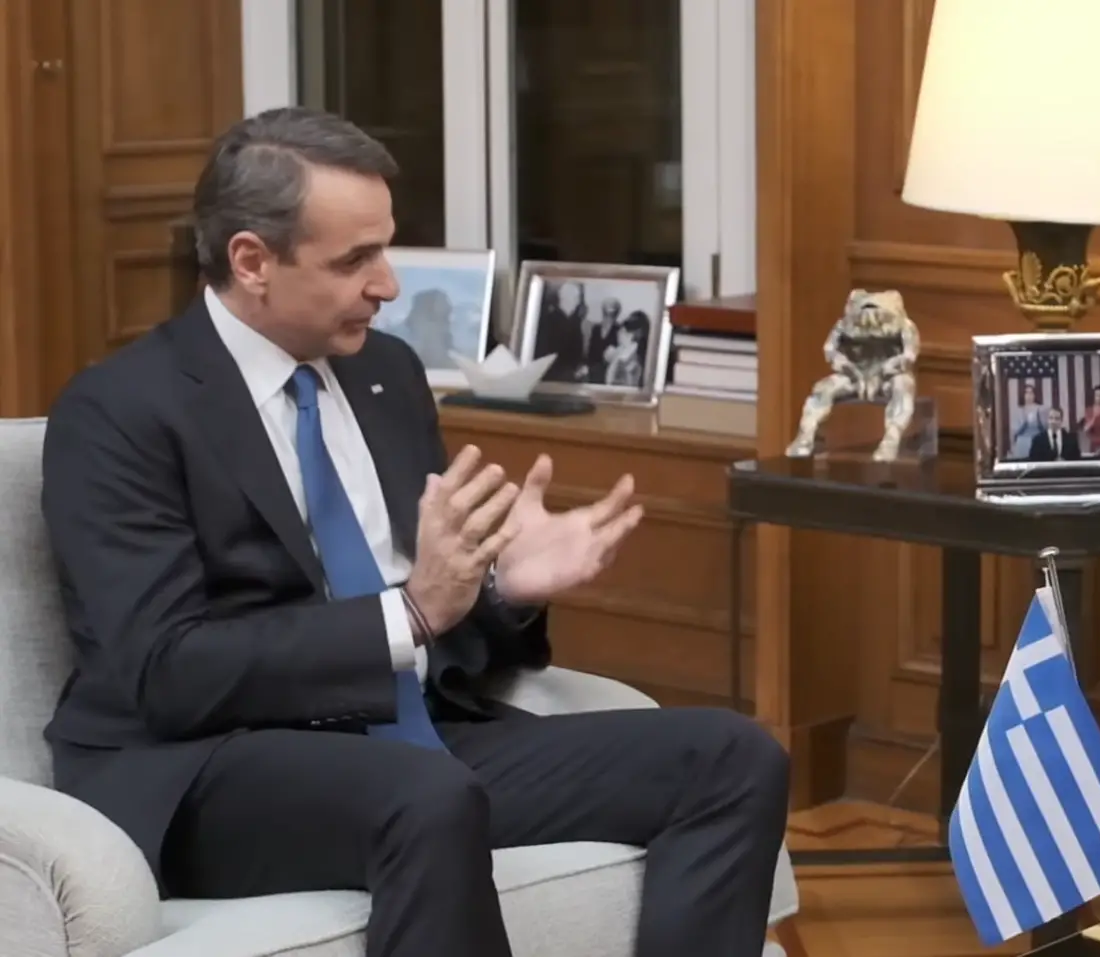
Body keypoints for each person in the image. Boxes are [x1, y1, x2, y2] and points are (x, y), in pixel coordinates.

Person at [39, 106, 790, 957]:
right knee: (426, 795)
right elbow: (166, 671)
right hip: (208, 768)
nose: (388, 285)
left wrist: (500, 587)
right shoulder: (121, 412)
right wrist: (413, 612)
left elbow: (437, 616)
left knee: (732, 756)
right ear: (252, 261)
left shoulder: (385, 375)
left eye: (385, 249)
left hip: (410, 740)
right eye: (354, 260)